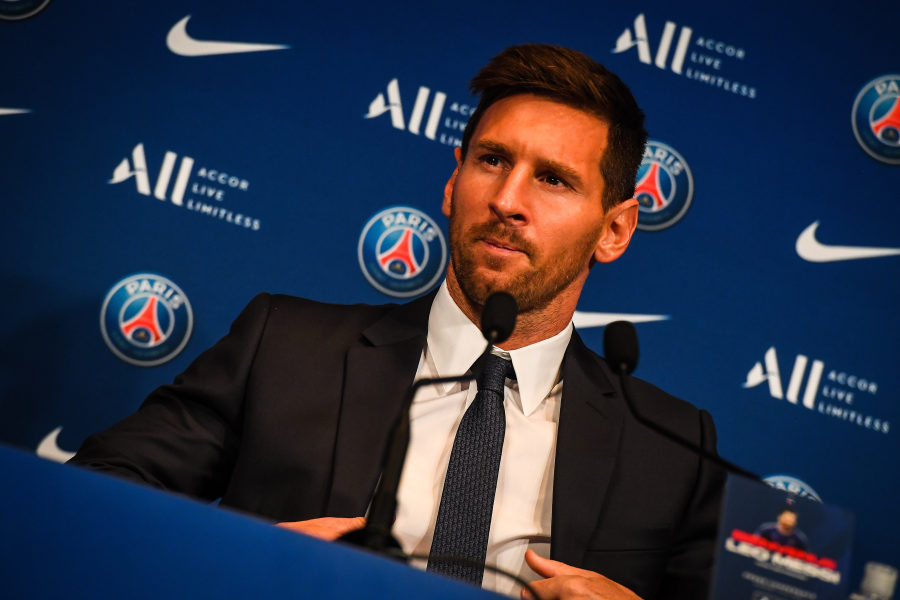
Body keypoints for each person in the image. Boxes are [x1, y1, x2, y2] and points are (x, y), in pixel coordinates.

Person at [71, 44, 725, 600]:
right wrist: (251, 558)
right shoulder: (284, 348)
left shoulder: (674, 450)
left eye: (552, 179)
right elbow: (90, 494)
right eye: (492, 160)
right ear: (452, 184)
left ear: (615, 229)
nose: (506, 200)